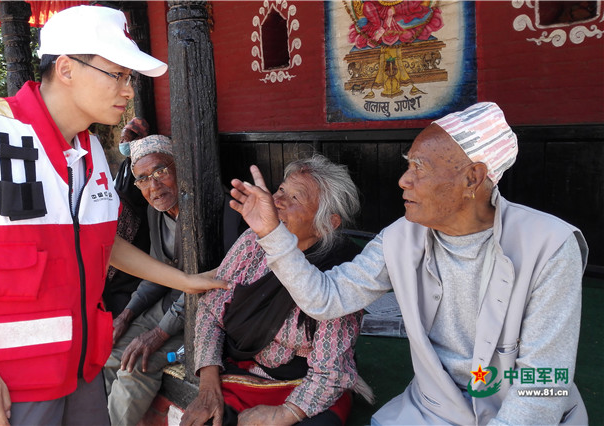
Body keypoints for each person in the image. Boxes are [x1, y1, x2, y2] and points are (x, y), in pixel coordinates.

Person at [0, 6, 222, 426]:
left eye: (129, 78)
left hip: (80, 372)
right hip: (6, 383)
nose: (128, 91)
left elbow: (103, 243)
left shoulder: (91, 153)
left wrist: (186, 281)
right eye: (118, 75)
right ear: (67, 68)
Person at [229, 102, 588, 424]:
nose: (404, 180)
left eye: (420, 167)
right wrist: (271, 233)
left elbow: (543, 385)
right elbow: (326, 299)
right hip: (435, 409)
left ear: (473, 178)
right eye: (407, 165)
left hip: (515, 409)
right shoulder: (402, 237)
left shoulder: (551, 246)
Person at [181, 155, 374, 426]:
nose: (277, 201)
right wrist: (208, 387)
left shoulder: (340, 273)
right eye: (281, 189)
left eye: (296, 197)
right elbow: (211, 311)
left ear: (328, 224)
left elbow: (329, 372)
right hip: (243, 375)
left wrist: (285, 413)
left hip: (307, 385)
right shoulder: (253, 241)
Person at [104, 135, 245, 426]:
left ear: (180, 168)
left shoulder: (217, 208)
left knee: (136, 367)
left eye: (161, 171)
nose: (154, 186)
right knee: (108, 356)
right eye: (143, 179)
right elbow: (156, 273)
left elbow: (213, 284)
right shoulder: (155, 212)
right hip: (167, 308)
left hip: (205, 316)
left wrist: (159, 333)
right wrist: (127, 314)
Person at [104, 117, 152, 317]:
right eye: (122, 139)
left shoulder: (144, 166)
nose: (123, 143)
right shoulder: (126, 165)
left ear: (139, 140)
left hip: (138, 227)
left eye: (128, 138)